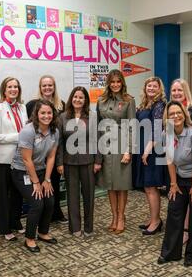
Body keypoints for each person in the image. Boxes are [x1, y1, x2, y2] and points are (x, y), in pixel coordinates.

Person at [157, 101, 192, 267]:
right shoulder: (166, 134)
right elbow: (169, 160)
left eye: (179, 112)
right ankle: (170, 253)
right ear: (167, 117)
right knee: (174, 210)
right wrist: (173, 184)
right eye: (171, 113)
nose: (176, 116)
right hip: (181, 176)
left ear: (184, 114)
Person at [11, 100, 59, 252]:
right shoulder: (28, 131)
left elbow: (51, 157)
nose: (46, 116)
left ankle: (43, 232)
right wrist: (36, 182)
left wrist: (47, 179)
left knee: (50, 201)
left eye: (49, 112)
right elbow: (26, 160)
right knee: (37, 203)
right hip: (21, 171)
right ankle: (29, 238)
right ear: (36, 115)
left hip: (41, 170)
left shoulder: (54, 131)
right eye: (42, 113)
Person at [56, 87, 102, 237]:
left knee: (89, 196)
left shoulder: (93, 116)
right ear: (71, 98)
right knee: (72, 196)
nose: (78, 100)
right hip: (69, 162)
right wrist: (59, 163)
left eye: (81, 97)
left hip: (88, 161)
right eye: (75, 97)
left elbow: (98, 140)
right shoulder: (62, 117)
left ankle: (88, 227)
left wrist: (98, 161)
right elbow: (60, 142)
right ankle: (75, 227)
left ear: (86, 101)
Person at [96, 69, 136, 234]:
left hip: (121, 144)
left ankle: (121, 217)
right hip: (105, 144)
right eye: (112, 82)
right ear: (108, 83)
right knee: (110, 185)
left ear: (122, 83)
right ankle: (113, 217)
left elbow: (132, 126)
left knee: (121, 184)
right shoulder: (101, 100)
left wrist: (128, 151)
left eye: (118, 81)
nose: (115, 85)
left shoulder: (129, 100)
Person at [26, 75, 67, 224]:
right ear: (40, 87)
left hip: (55, 148)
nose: (47, 88)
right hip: (37, 150)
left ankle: (55, 212)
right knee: (38, 182)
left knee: (53, 181)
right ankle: (40, 213)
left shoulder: (61, 105)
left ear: (54, 87)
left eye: (50, 85)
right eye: (44, 85)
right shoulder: (32, 105)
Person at [0, 77, 28, 241]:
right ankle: (4, 228)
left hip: (21, 157)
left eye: (16, 86)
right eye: (10, 87)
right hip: (5, 159)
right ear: (4, 90)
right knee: (4, 195)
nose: (13, 89)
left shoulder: (23, 107)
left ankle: (16, 221)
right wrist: (19, 137)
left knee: (18, 193)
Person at [133, 77, 166, 235]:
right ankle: (154, 218)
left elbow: (157, 129)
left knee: (151, 187)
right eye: (149, 86)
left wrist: (147, 151)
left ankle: (156, 222)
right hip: (142, 147)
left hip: (151, 150)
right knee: (148, 187)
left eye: (154, 86)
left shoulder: (159, 105)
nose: (151, 88)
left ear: (160, 89)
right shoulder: (144, 104)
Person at [170, 78, 192, 244]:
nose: (176, 93)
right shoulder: (170, 111)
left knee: (189, 197)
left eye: (180, 90)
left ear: (185, 92)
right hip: (175, 161)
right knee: (177, 196)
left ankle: (186, 230)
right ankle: (178, 227)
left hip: (190, 162)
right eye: (174, 91)